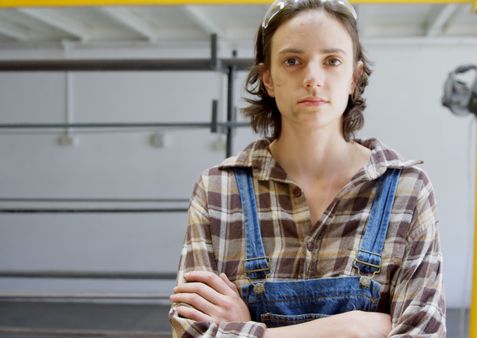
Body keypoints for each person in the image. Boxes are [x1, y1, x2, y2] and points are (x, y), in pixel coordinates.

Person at [169, 0, 445, 337]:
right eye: (292, 61)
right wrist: (352, 327)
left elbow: (423, 333)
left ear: (354, 78)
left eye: (332, 61)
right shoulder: (217, 190)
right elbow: (190, 332)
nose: (313, 78)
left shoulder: (407, 190)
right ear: (268, 79)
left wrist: (250, 331)